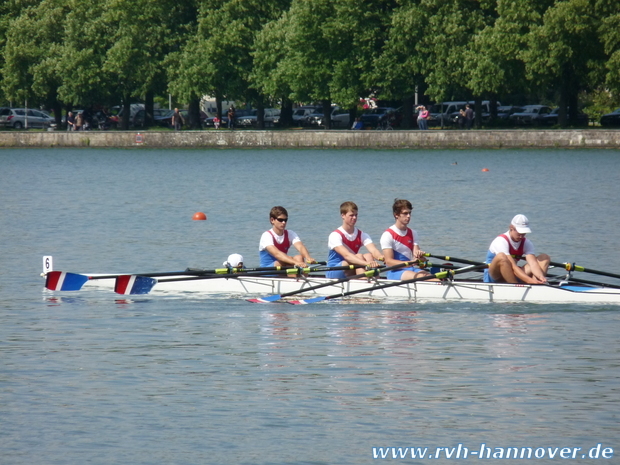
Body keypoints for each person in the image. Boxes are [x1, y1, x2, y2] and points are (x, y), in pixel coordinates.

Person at [484, 214, 550, 284]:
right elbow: (513, 267)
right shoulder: (501, 241)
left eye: (524, 233)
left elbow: (533, 264)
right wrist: (529, 280)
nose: (521, 236)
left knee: (544, 258)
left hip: (512, 274)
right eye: (519, 233)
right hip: (495, 276)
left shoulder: (526, 243)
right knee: (502, 257)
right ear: (511, 228)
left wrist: (541, 277)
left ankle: (537, 285)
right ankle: (516, 287)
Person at [326, 201, 384, 279]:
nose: (354, 218)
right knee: (359, 256)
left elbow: (373, 250)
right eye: (351, 215)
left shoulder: (362, 234)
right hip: (334, 271)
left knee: (369, 255)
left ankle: (375, 282)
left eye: (356, 215)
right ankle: (364, 283)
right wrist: (366, 263)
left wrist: (381, 257)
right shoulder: (335, 235)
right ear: (343, 215)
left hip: (351, 267)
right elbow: (347, 256)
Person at [380, 199, 432, 281]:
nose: (408, 216)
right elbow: (389, 261)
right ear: (396, 215)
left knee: (434, 278)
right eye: (405, 213)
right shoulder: (388, 235)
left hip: (411, 269)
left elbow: (419, 261)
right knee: (421, 277)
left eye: (409, 213)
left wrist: (421, 258)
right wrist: (411, 263)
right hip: (394, 272)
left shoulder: (413, 233)